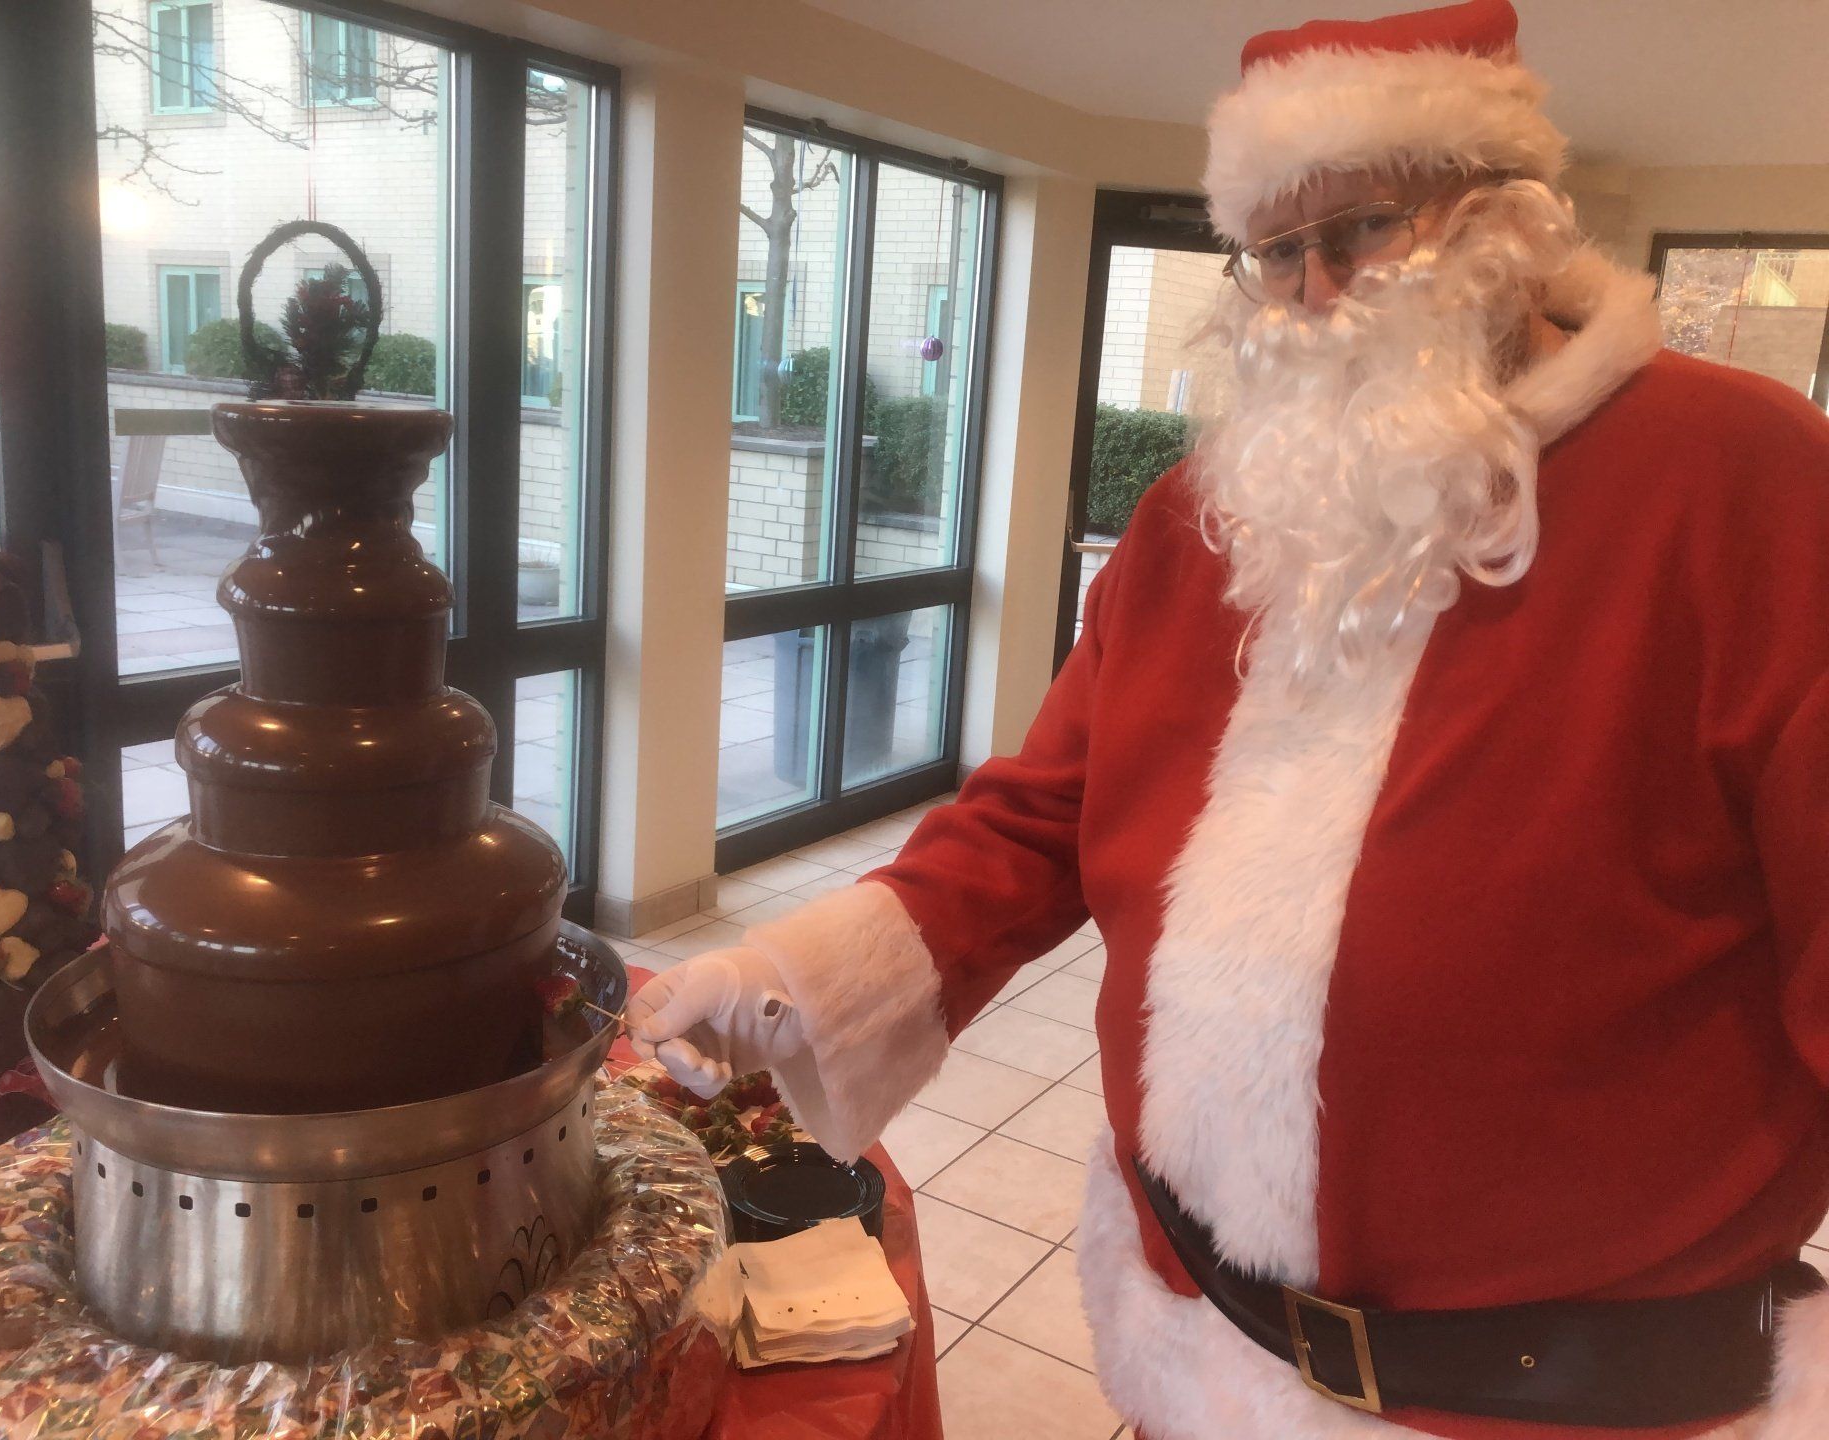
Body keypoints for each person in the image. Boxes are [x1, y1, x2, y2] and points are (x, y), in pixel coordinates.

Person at [626, 2, 1829, 1435]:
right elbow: (1041, 819)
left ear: (1503, 219)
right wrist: (772, 983)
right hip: (1192, 1352)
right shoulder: (1197, 521)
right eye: (1274, 249)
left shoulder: (1748, 481)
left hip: (1570, 1410)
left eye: (1363, 229)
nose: (1314, 290)